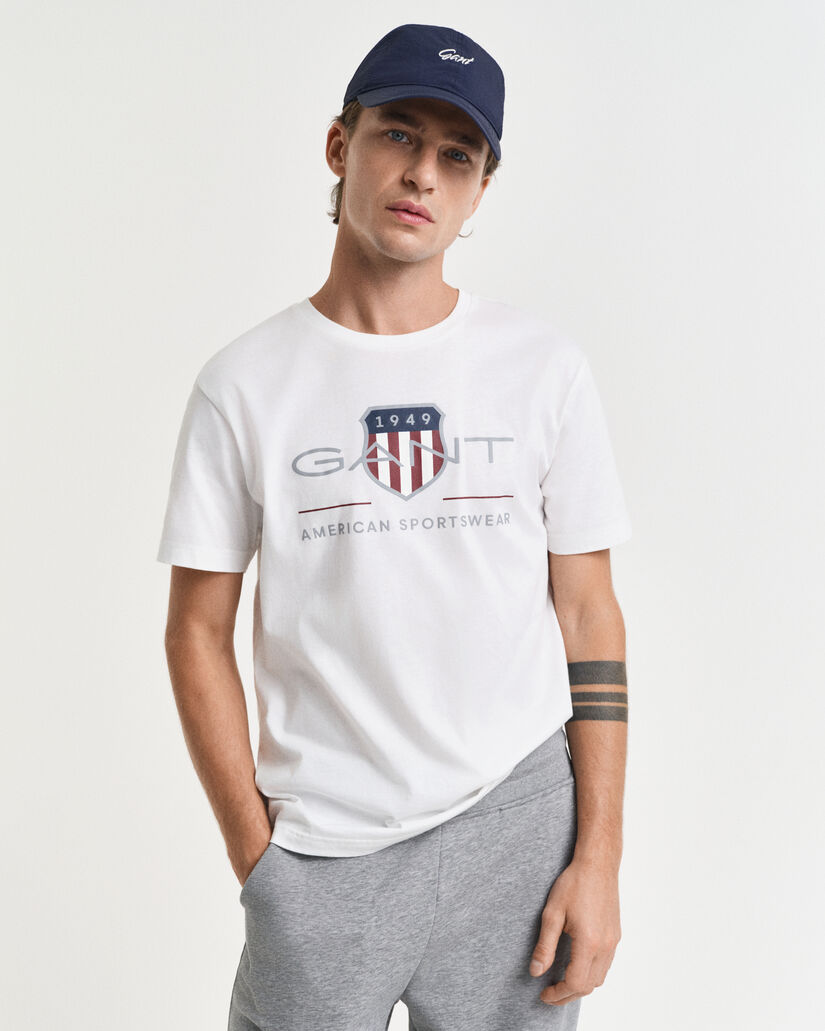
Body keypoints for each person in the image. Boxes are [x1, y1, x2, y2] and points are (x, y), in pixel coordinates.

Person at [156, 22, 632, 1031]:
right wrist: (258, 857)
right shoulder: (245, 384)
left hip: (516, 828)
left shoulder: (542, 369)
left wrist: (598, 857)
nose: (422, 173)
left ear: (480, 189)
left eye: (456, 155)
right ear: (342, 145)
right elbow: (196, 628)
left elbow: (590, 613)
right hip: (325, 846)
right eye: (399, 135)